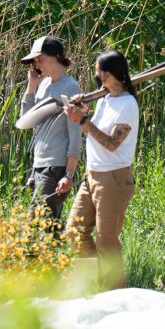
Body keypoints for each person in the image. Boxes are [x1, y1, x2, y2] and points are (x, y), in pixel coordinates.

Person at [63, 50, 139, 289]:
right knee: (75, 230)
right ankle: (95, 284)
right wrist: (84, 112)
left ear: (108, 74)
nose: (95, 75)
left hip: (113, 177)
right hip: (92, 175)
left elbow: (112, 143)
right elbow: (98, 128)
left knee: (107, 242)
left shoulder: (127, 104)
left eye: (98, 71)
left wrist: (83, 121)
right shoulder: (106, 99)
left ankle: (115, 294)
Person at [19, 35, 83, 226]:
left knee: (37, 222)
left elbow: (75, 132)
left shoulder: (70, 88)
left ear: (55, 56)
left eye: (40, 59)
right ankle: (65, 253)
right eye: (35, 61)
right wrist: (31, 86)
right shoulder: (43, 84)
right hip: (39, 164)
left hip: (55, 166)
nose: (37, 65)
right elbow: (26, 120)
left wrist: (69, 174)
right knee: (48, 226)